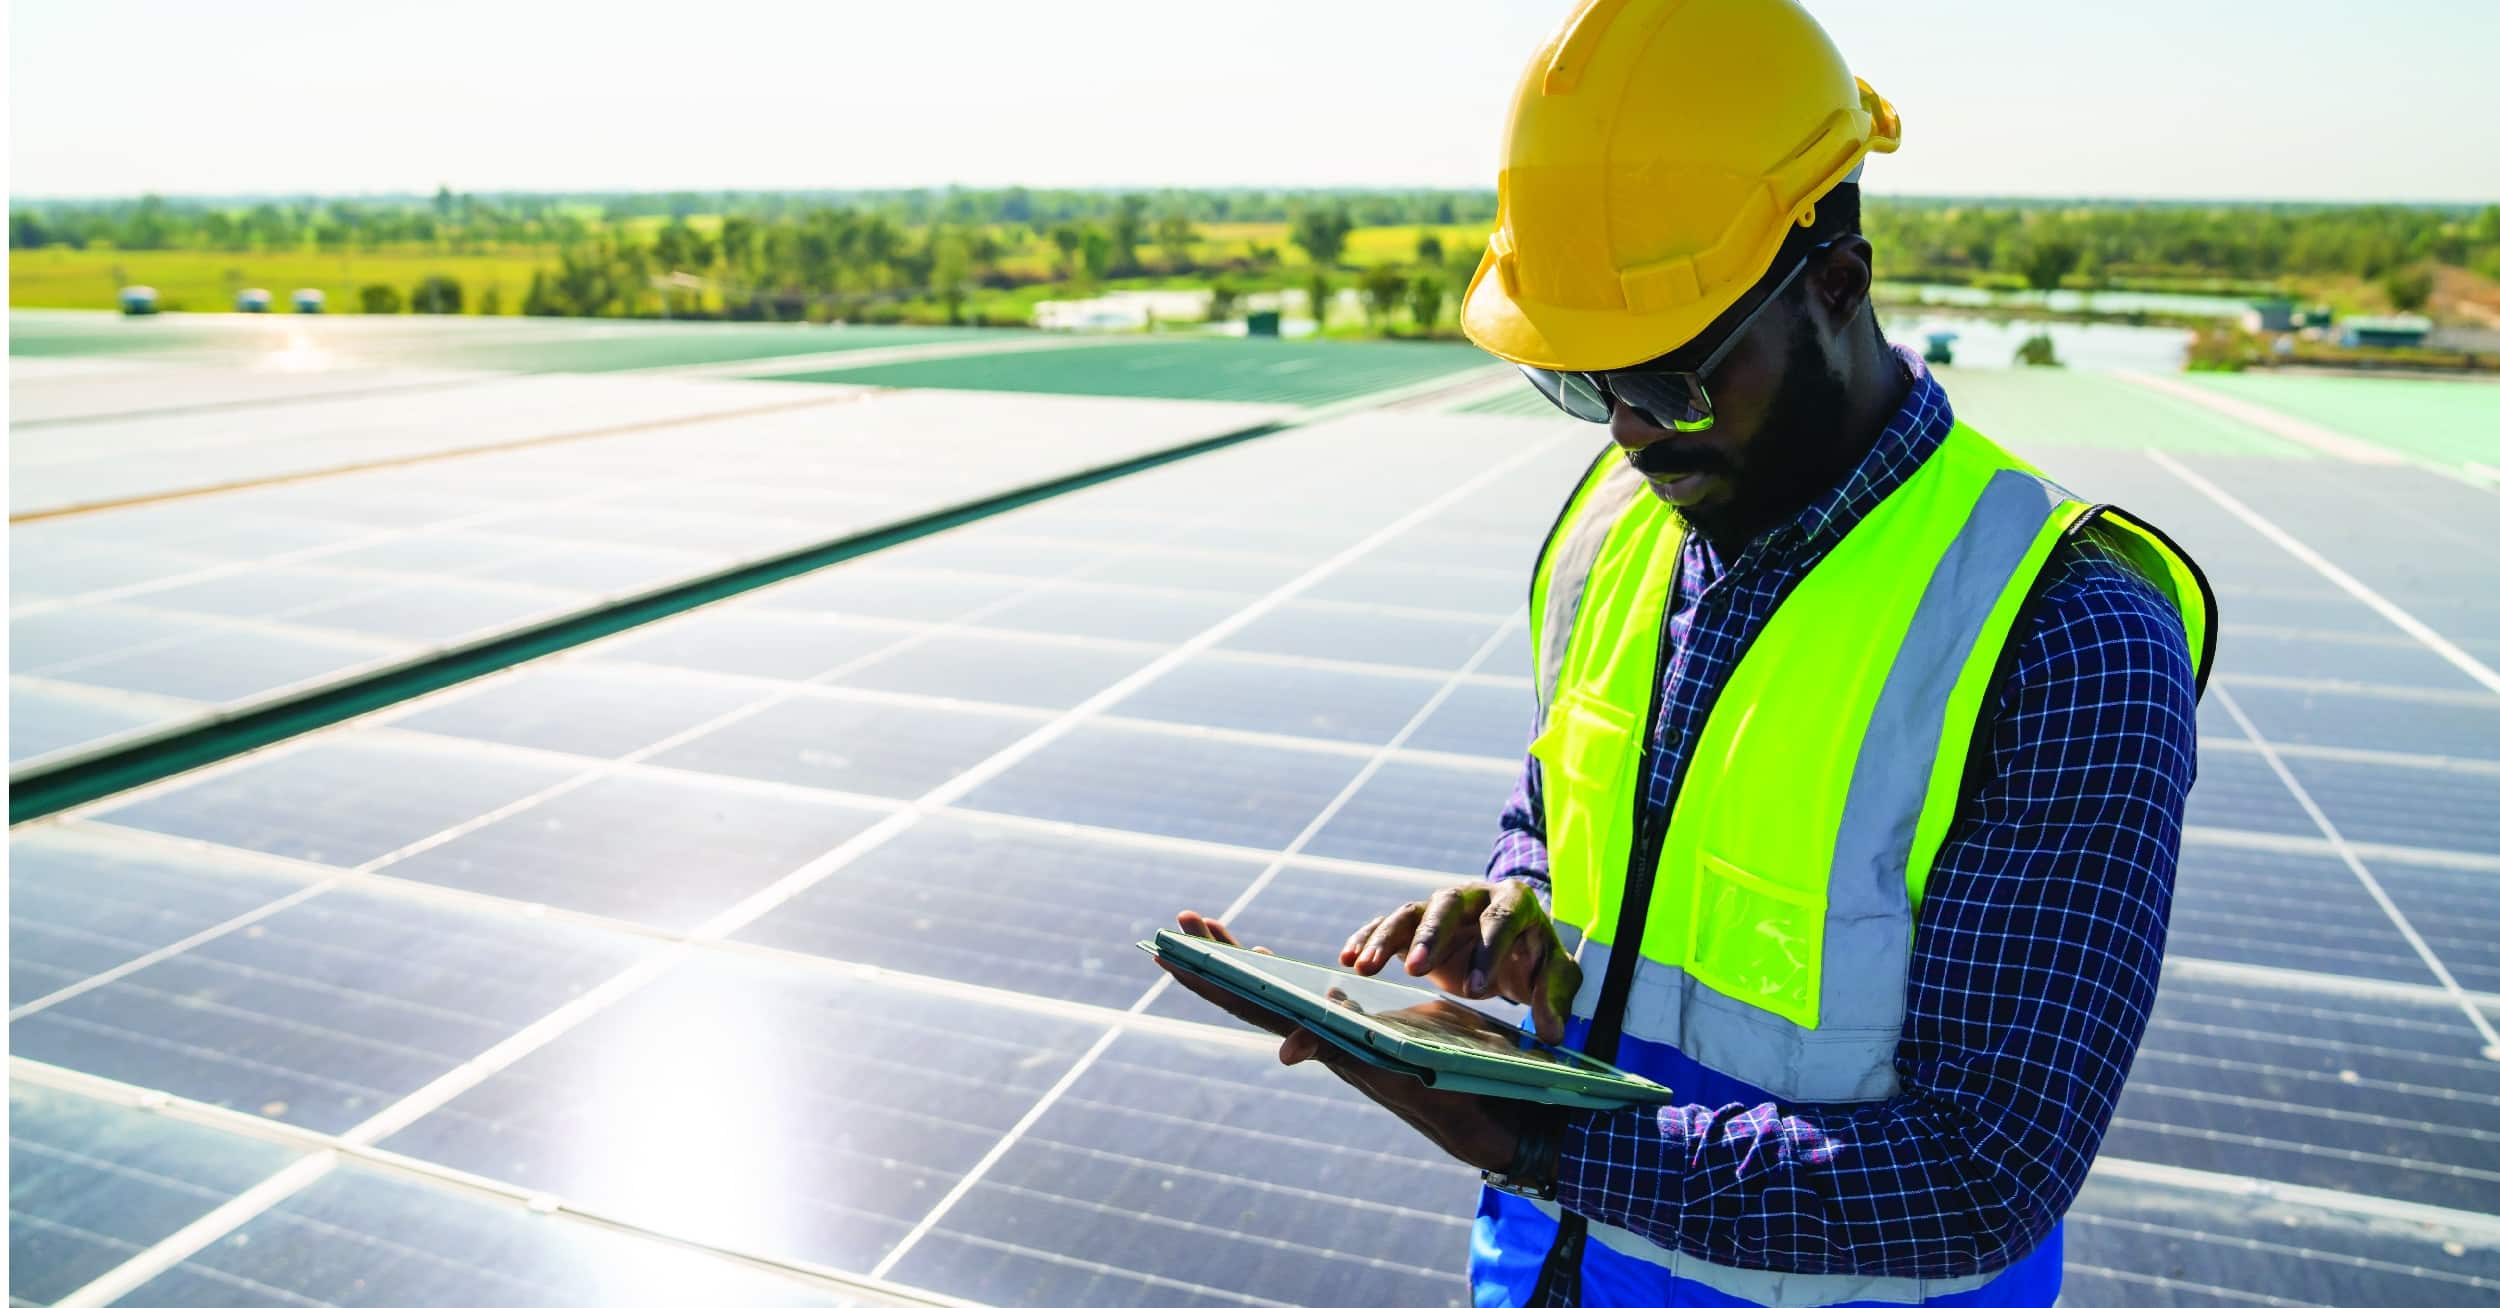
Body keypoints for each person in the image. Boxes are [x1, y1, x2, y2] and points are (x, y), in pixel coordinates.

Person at [1158, 1, 2218, 1305]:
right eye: (1577, 382)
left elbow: (1981, 1173)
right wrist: (1516, 907)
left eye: (1666, 380)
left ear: (1836, 283)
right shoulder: (1617, 533)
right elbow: (1559, 813)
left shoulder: (2061, 630)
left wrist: (1531, 1137)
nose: (1625, 435)